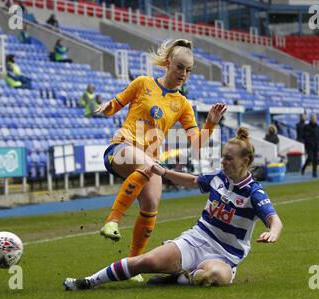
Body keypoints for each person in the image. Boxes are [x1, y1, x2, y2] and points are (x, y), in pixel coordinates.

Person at [63, 127, 283, 290]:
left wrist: (272, 232)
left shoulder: (254, 193)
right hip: (195, 240)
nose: (223, 162)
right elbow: (192, 181)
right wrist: (164, 173)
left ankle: (179, 275)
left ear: (246, 161)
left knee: (216, 276)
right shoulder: (218, 177)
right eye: (222, 157)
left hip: (224, 255)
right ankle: (89, 281)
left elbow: (274, 219)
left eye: (228, 158)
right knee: (145, 262)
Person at [92, 39, 227, 282]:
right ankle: (112, 222)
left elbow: (196, 144)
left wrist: (211, 124)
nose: (183, 74)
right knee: (147, 165)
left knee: (151, 204)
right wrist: (104, 107)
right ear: (167, 64)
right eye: (179, 67)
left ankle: (133, 266)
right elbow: (118, 102)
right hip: (121, 148)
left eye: (188, 70)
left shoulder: (183, 104)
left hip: (148, 160)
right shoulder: (143, 83)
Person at [301, 113, 319, 178]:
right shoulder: (307, 127)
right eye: (313, 118)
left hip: (316, 145)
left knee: (315, 159)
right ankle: (304, 167)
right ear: (311, 119)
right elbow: (304, 136)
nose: (314, 119)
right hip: (309, 145)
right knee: (310, 158)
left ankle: (314, 172)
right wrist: (309, 141)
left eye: (315, 118)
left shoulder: (317, 127)